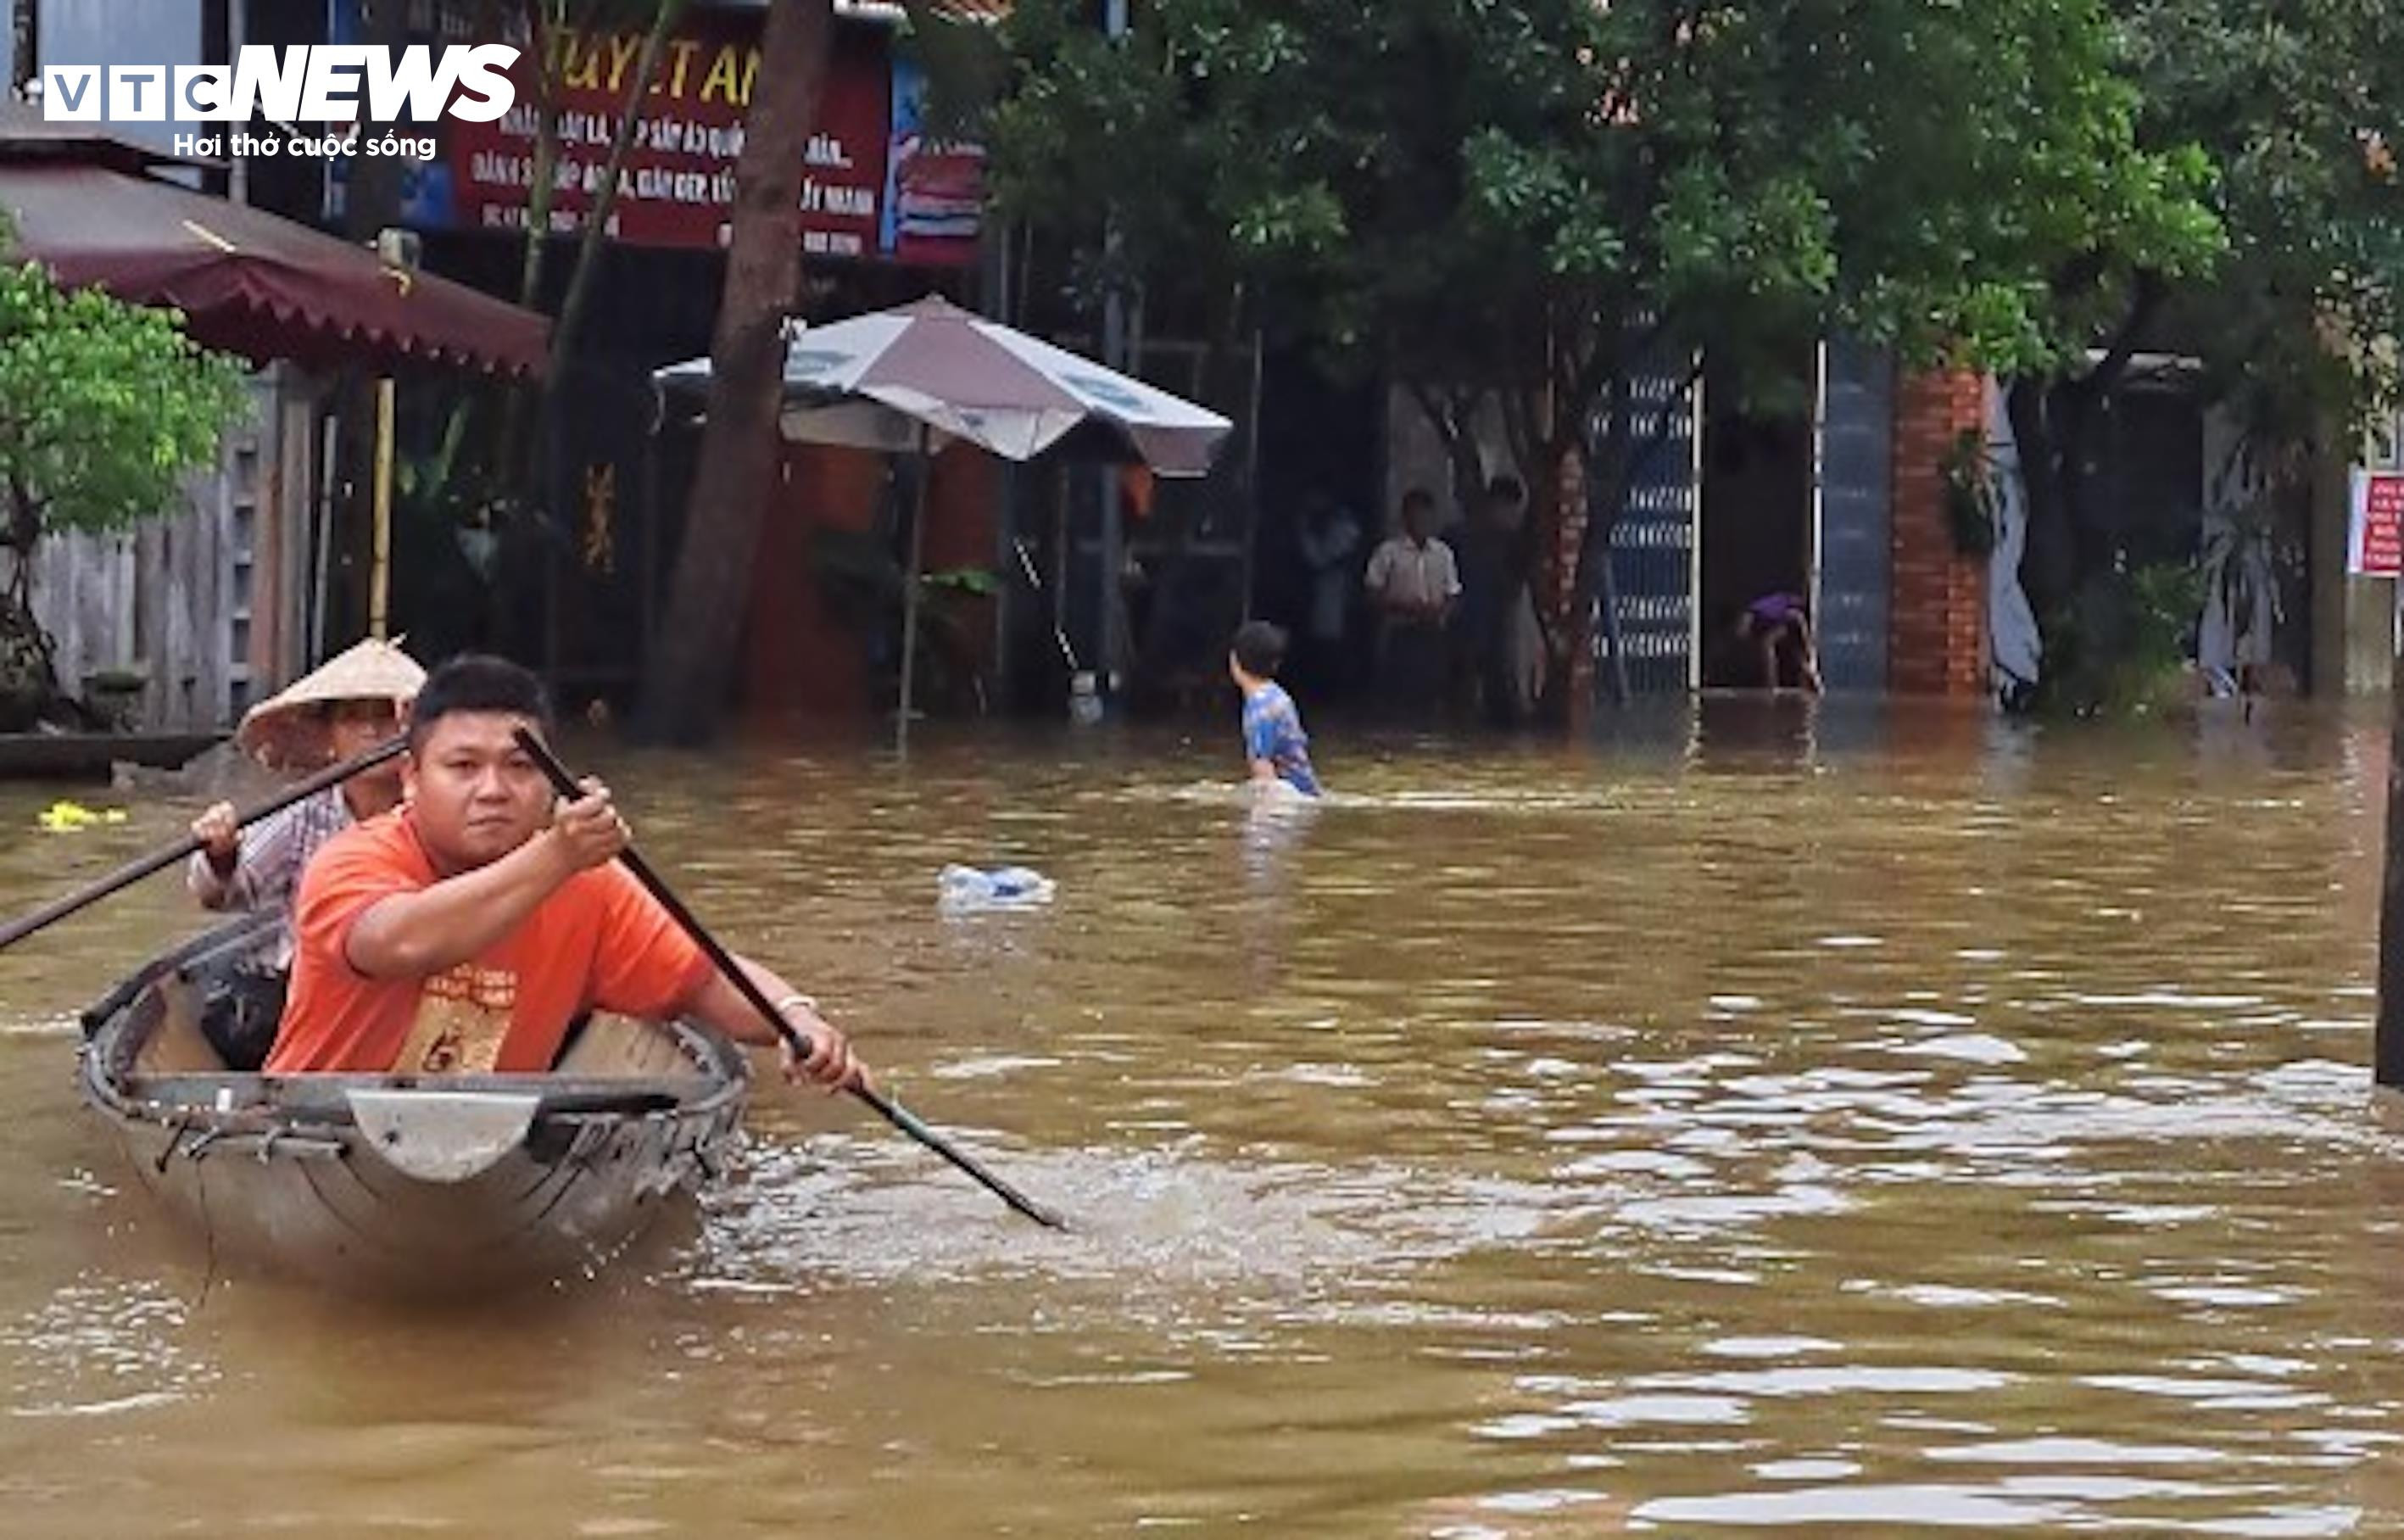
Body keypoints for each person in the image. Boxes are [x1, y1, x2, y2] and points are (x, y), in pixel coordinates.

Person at [266, 655, 865, 1092]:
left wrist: (794, 1016)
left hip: (491, 1146)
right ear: (411, 778)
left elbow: (701, 980)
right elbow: (399, 941)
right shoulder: (351, 860)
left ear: (553, 779)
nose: (493, 791)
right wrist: (556, 855)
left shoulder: (589, 885)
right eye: (463, 766)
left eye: (520, 766)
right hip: (317, 1133)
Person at [185, 637, 425, 1068]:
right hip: (306, 998)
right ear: (330, 738)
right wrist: (222, 855)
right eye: (354, 719)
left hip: (409, 994)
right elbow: (225, 894)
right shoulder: (303, 812)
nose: (373, 733)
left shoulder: (437, 816)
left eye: (387, 718)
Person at [1364, 488, 1460, 715]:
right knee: (1398, 693)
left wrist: (1440, 612)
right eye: (1416, 516)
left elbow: (1453, 593)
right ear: (1405, 518)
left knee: (1433, 691)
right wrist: (1404, 607)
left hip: (1433, 632)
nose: (1422, 522)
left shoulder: (1443, 553)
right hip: (1400, 631)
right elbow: (1372, 593)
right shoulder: (1388, 552)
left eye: (1426, 517)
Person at [1228, 620, 1322, 798]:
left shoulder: (1258, 709)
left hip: (1291, 798)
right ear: (1275, 664)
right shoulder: (1277, 696)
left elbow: (1263, 767)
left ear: (1234, 660)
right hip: (1307, 790)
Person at [1293, 493, 1364, 695]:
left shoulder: (1343, 525)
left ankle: (1336, 692)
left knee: (1335, 646)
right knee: (1326, 642)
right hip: (1328, 594)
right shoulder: (1329, 524)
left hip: (1339, 593)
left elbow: (1319, 559)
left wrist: (1303, 529)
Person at [1736, 591, 1824, 694]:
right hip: (1791, 620)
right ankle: (1812, 684)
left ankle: (1772, 687)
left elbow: (1788, 618)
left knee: (1768, 645)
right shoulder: (1760, 616)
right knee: (1801, 658)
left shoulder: (1760, 612)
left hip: (1793, 620)